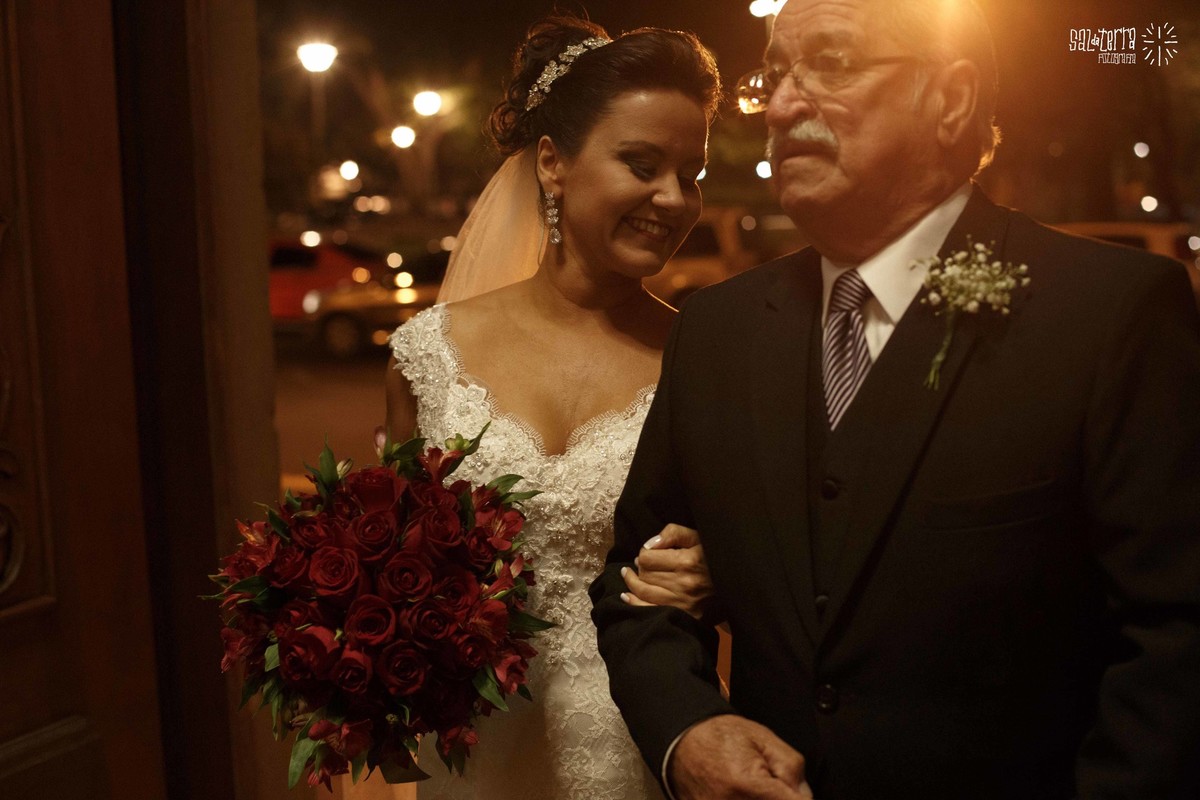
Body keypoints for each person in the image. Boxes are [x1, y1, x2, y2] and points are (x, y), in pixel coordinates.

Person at [591, 0, 1200, 798]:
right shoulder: (718, 328)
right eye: (774, 76)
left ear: (949, 99)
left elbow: (1175, 634)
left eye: (832, 63)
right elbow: (635, 586)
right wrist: (688, 731)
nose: (782, 105)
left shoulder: (1110, 311)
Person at [359, 16, 722, 800]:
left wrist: (717, 575)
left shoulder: (706, 362)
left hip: (638, 742)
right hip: (478, 750)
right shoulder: (428, 356)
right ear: (554, 164)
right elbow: (384, 563)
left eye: (691, 173)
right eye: (642, 165)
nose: (673, 198)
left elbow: (770, 560)